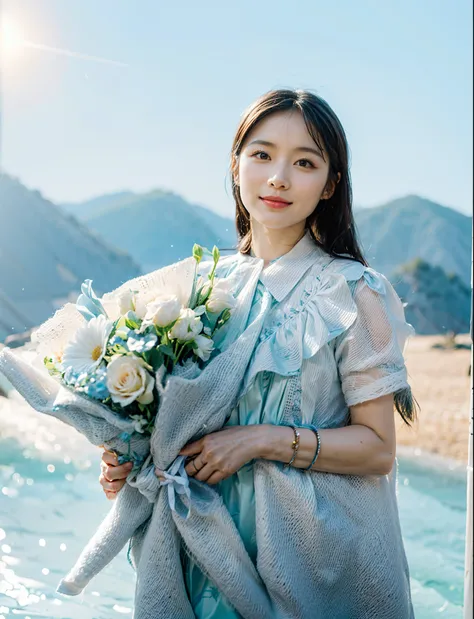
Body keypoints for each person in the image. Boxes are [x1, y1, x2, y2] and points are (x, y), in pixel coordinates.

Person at [99, 88, 417, 618]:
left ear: (330, 184)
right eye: (263, 154)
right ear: (236, 164)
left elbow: (379, 448)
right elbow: (173, 424)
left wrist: (260, 440)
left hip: (313, 559)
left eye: (305, 162)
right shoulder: (198, 292)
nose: (278, 178)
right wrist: (129, 462)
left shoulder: (353, 291)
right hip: (203, 549)